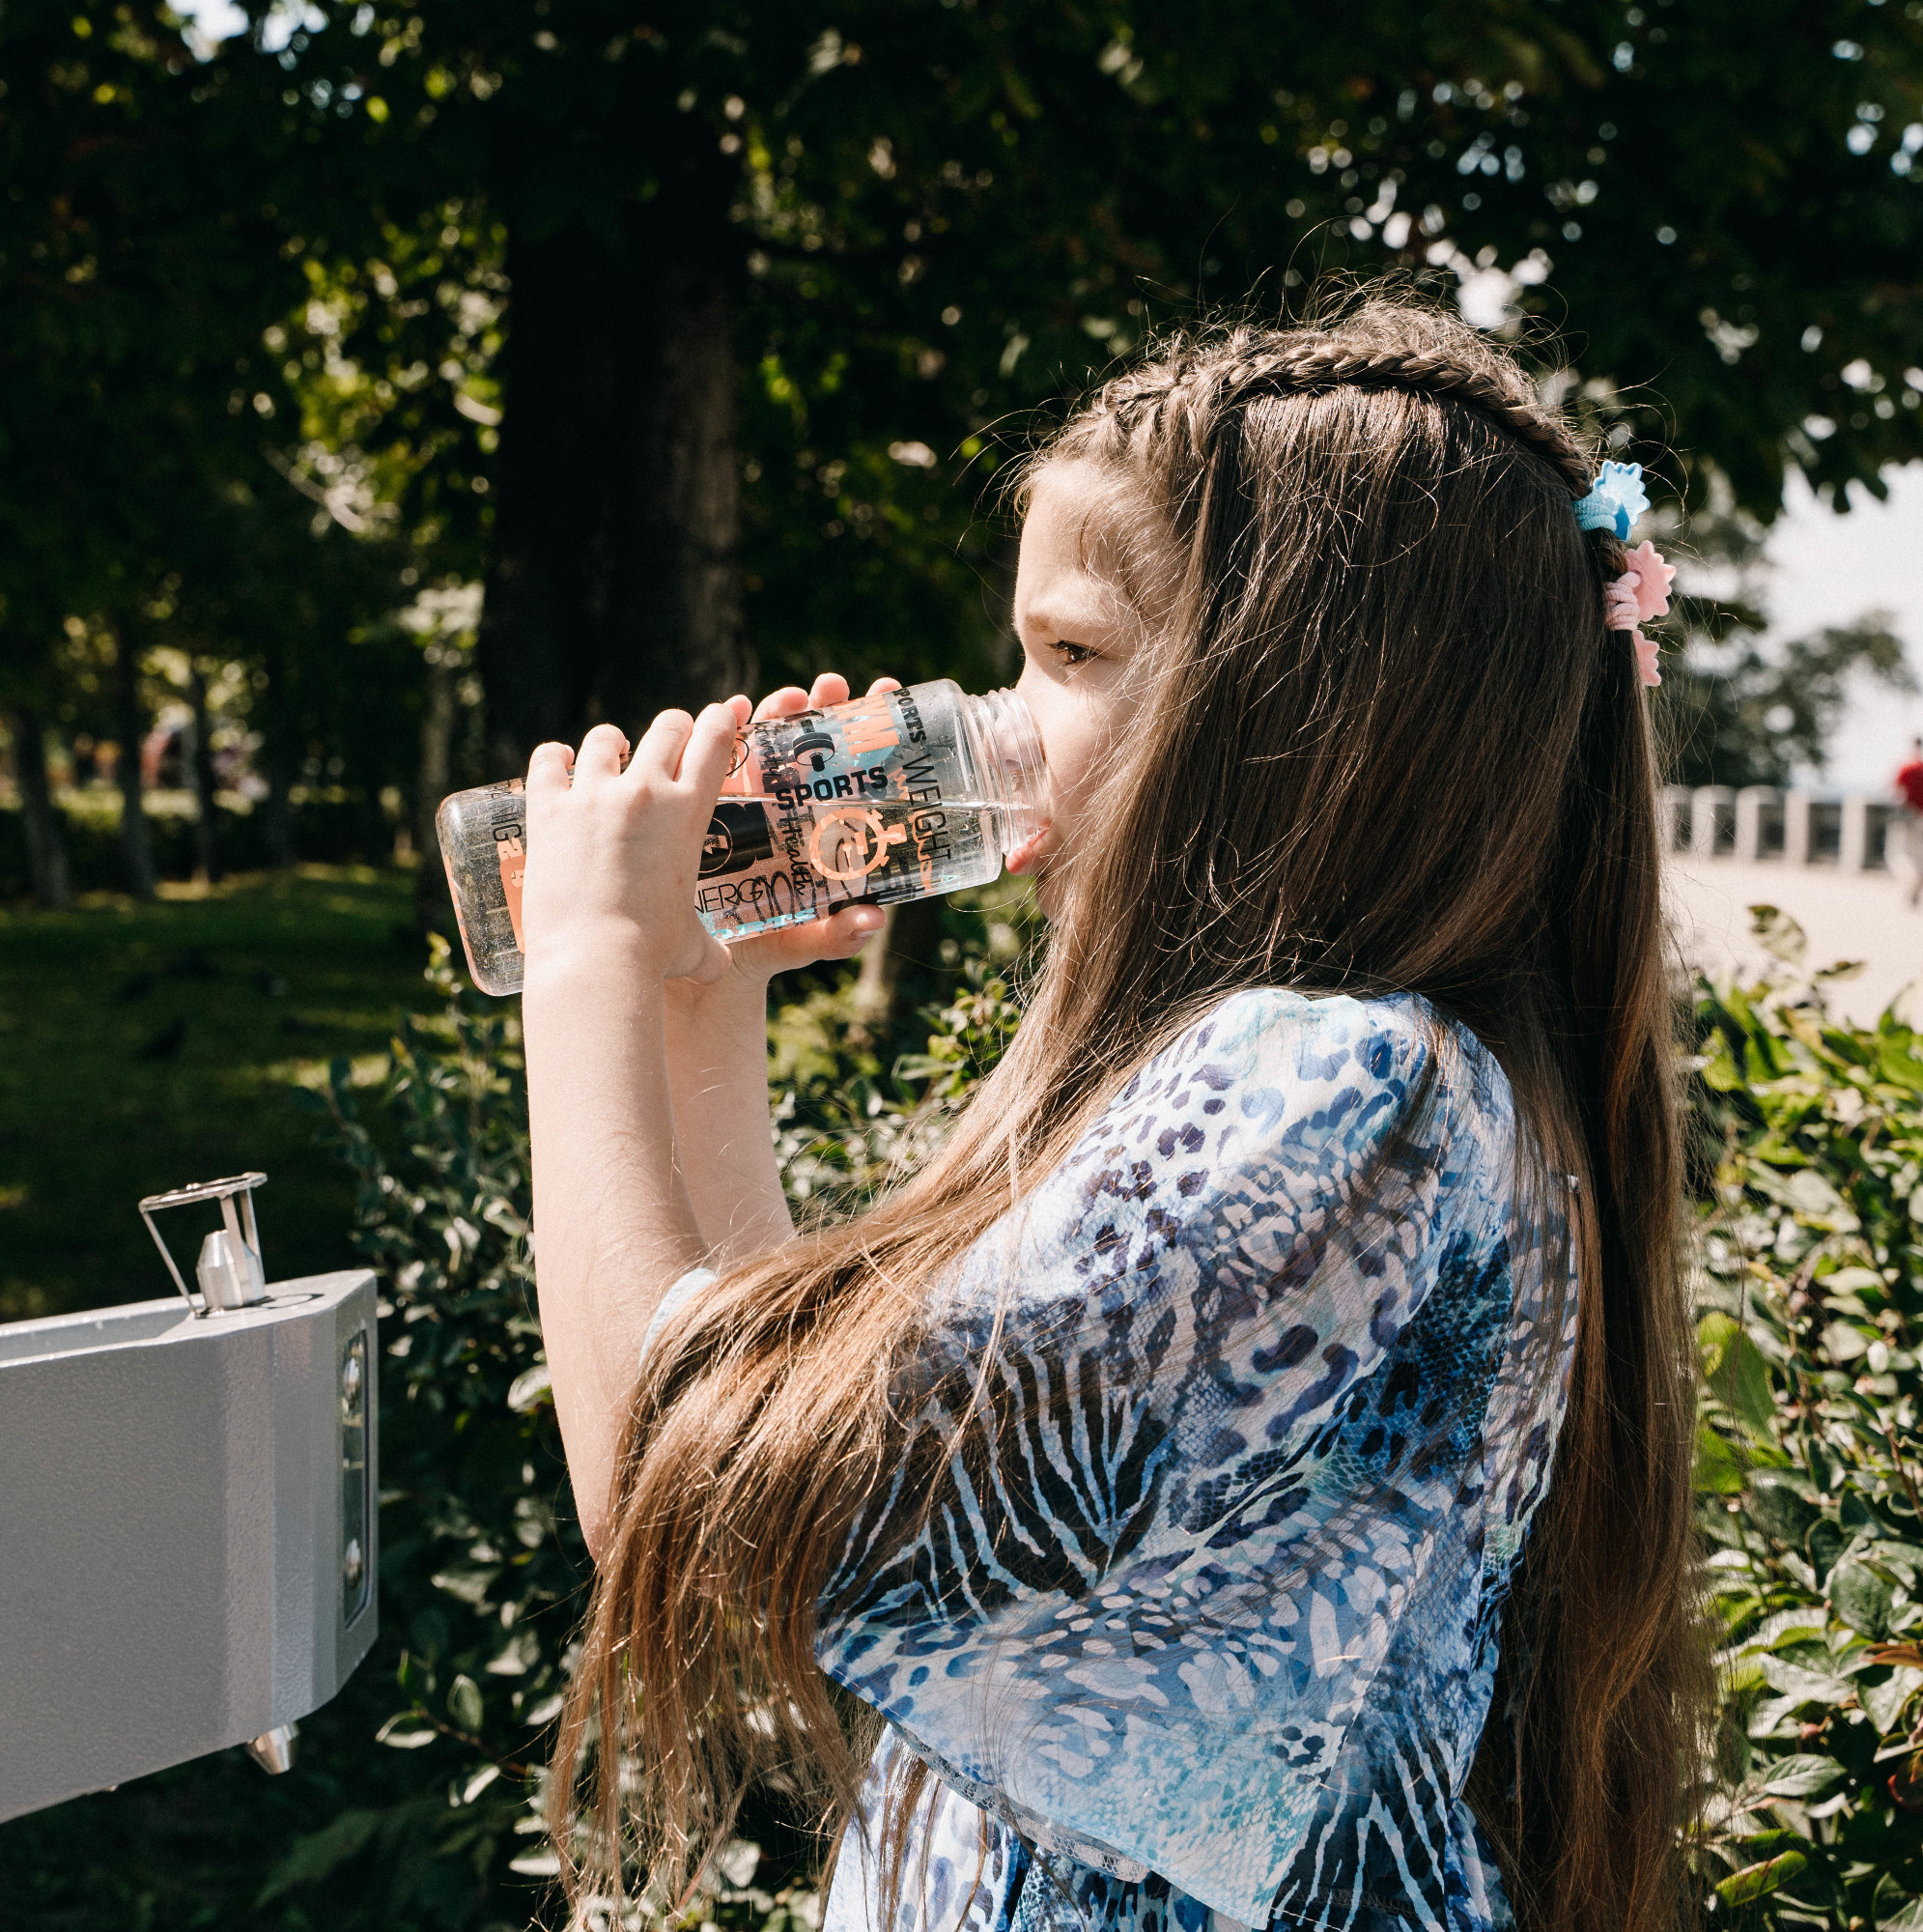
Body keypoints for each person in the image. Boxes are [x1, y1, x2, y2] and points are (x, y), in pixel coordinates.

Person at [514, 297, 1702, 1932]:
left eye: (1070, 656)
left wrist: (580, 965)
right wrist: (701, 1011)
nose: (997, 721)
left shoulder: (1338, 1089)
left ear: (1295, 716)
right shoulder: (1362, 1081)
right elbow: (806, 1442)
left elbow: (690, 1496)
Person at [1896, 735, 1923, 907]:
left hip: (1909, 814)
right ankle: (1916, 883)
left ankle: (1912, 884)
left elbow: (1897, 791)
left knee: (1906, 854)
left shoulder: (1907, 767)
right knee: (1919, 854)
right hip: (1922, 815)